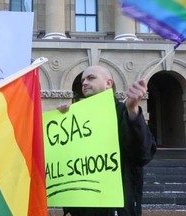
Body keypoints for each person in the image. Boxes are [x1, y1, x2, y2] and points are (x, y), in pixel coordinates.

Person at [60, 65, 156, 216]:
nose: (84, 83)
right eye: (82, 80)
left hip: (117, 207)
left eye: (91, 78)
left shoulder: (124, 111)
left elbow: (143, 154)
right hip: (83, 208)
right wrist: (61, 122)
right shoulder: (75, 117)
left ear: (108, 84)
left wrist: (132, 111)